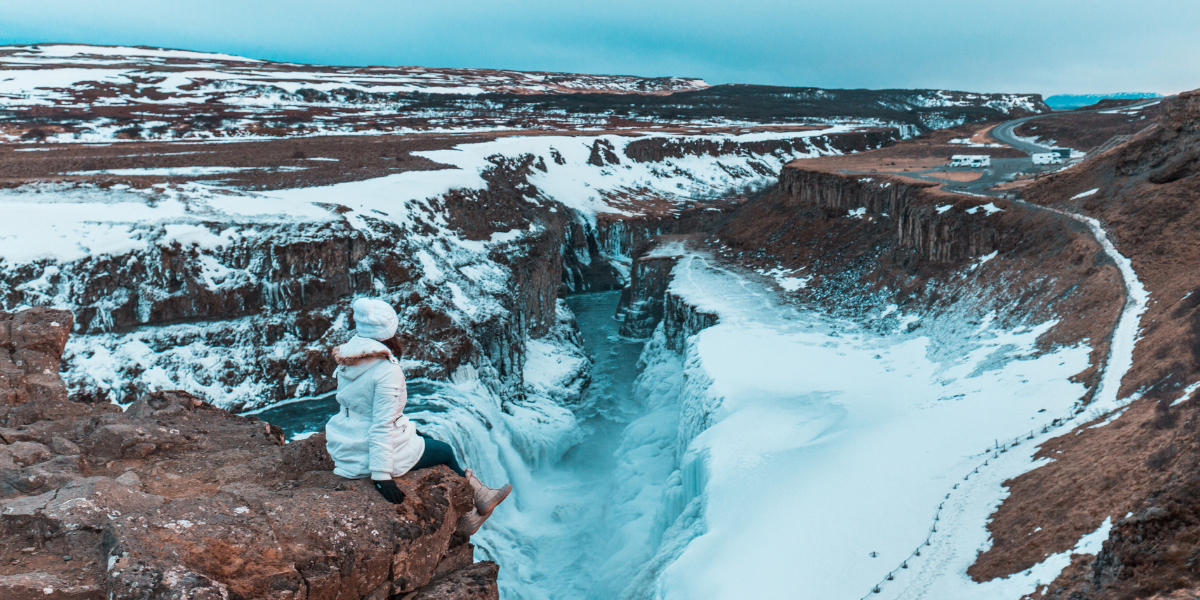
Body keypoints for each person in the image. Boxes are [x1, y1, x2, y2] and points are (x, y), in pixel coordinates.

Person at [325, 298, 512, 535]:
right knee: (444, 451)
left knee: (423, 436)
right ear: (389, 330)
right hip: (368, 451)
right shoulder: (386, 369)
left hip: (346, 440)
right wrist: (382, 476)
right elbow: (381, 424)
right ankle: (468, 515)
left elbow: (366, 408)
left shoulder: (349, 357)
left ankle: (481, 494)